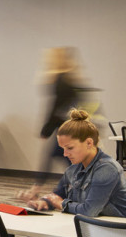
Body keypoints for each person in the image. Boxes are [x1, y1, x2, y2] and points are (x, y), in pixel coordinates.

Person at [38, 47, 90, 182]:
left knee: (60, 155)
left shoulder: (60, 80)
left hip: (65, 125)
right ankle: (81, 181)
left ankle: (37, 186)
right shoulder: (71, 78)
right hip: (71, 124)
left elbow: (56, 106)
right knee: (62, 155)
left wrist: (47, 129)